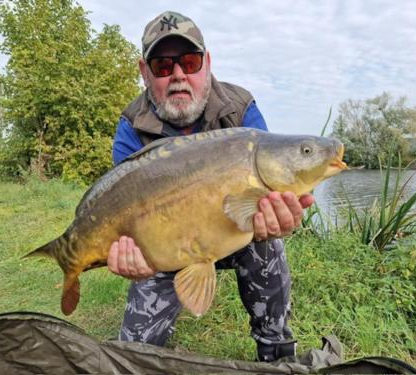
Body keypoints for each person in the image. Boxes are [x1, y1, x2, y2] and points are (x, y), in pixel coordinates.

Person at [108, 11, 314, 362]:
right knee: (132, 354)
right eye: (162, 66)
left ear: (207, 63)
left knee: (268, 242)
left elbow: (272, 190)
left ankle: (277, 350)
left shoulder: (241, 109)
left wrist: (279, 218)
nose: (178, 76)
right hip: (166, 246)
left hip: (232, 233)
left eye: (189, 62)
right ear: (144, 72)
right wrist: (131, 254)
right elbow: (122, 217)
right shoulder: (131, 127)